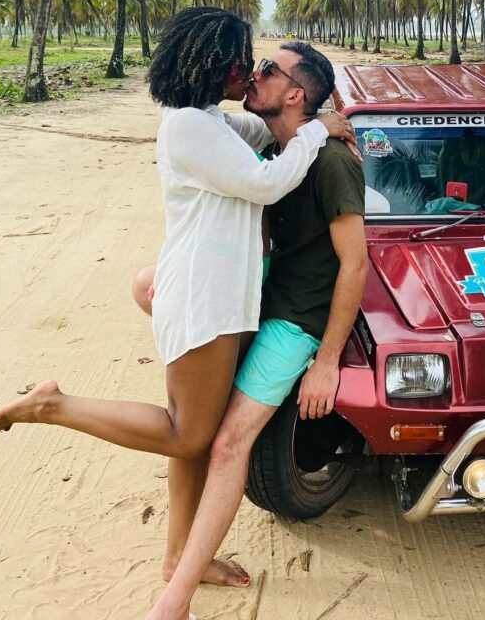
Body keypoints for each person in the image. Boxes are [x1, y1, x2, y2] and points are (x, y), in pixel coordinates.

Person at [0, 9, 356, 593]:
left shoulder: (209, 120)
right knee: (188, 435)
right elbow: (265, 182)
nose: (252, 69)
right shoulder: (187, 125)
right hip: (203, 298)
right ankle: (54, 405)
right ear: (219, 64)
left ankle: (179, 558)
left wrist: (315, 120)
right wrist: (317, 131)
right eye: (246, 59)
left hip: (224, 297)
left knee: (192, 435)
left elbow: (268, 137)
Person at [145, 40, 368, 620]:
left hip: (294, 321)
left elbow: (355, 264)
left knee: (225, 443)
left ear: (294, 93)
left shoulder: (332, 161)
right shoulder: (278, 143)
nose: (253, 72)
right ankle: (180, 557)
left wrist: (326, 360)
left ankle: (174, 599)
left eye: (268, 69)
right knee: (193, 409)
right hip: (257, 299)